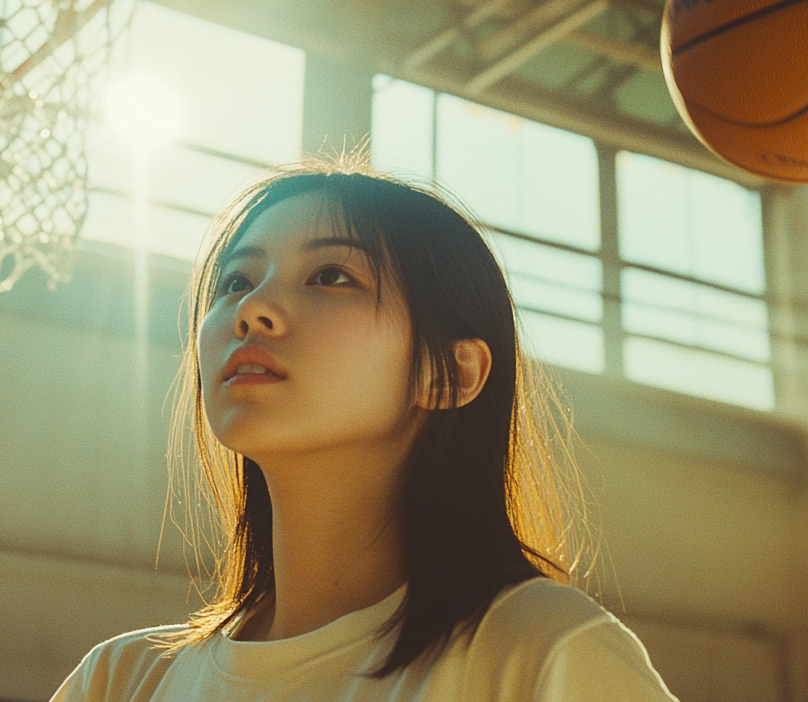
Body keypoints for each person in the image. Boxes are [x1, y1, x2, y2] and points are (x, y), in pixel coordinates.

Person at [51, 158, 676, 701]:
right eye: (236, 281)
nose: (251, 310)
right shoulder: (119, 682)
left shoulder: (542, 650)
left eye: (331, 276)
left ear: (451, 374)